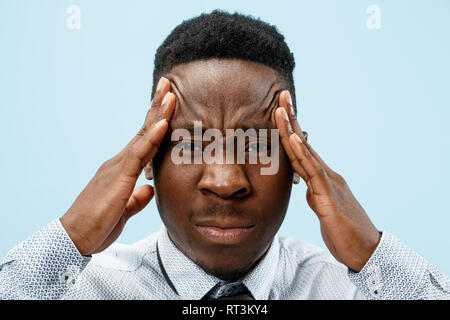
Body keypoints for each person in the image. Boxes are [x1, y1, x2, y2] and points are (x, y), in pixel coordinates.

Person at [1, 10, 449, 300]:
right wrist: (68, 240)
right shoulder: (82, 289)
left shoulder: (352, 289)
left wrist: (374, 257)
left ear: (298, 160)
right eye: (191, 144)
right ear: (148, 158)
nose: (225, 179)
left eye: (257, 143)